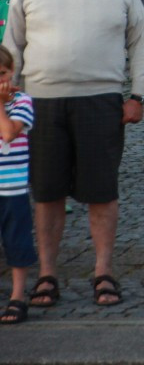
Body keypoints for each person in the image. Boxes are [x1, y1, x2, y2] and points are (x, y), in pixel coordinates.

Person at [5, 0, 144, 309]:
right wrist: (7, 98)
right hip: (41, 103)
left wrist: (138, 93)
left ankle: (103, 271)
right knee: (47, 194)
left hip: (100, 100)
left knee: (102, 193)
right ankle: (47, 274)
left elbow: (140, 39)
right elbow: (12, 44)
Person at [0, 44, 33, 324]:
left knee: (17, 242)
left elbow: (9, 133)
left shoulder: (22, 102)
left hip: (13, 190)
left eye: (2, 74)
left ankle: (18, 296)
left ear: (12, 73)